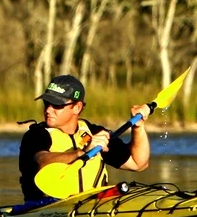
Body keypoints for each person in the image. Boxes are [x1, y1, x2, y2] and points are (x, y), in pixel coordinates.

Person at [18, 75, 150, 201]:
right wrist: (81, 153)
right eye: (46, 103)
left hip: (94, 205)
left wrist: (138, 127)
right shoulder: (35, 135)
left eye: (57, 105)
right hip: (47, 208)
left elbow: (138, 163)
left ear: (77, 107)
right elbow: (41, 161)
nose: (48, 109)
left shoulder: (95, 133)